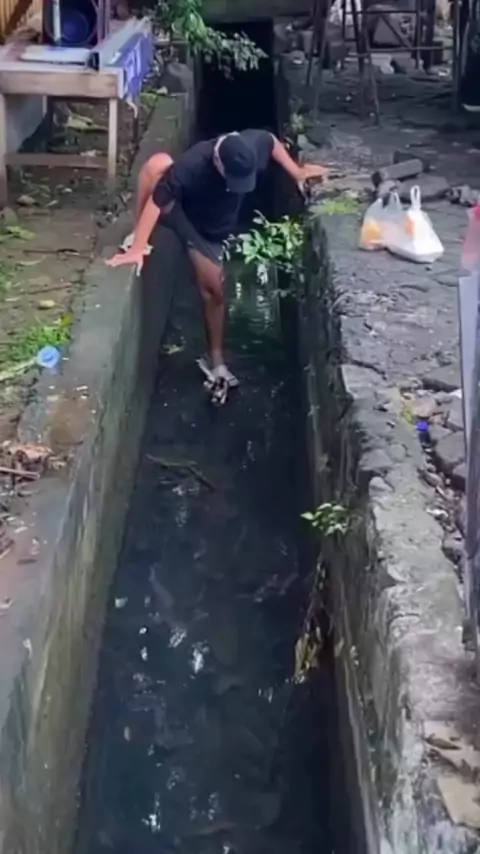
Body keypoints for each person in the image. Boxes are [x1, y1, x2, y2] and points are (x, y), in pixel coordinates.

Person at [106, 129, 328, 386]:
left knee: (214, 292)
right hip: (179, 210)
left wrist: (296, 172)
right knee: (157, 165)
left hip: (211, 233)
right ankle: (139, 235)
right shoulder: (194, 163)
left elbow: (270, 141)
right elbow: (158, 201)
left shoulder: (251, 147)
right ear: (217, 162)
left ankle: (216, 360)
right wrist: (137, 248)